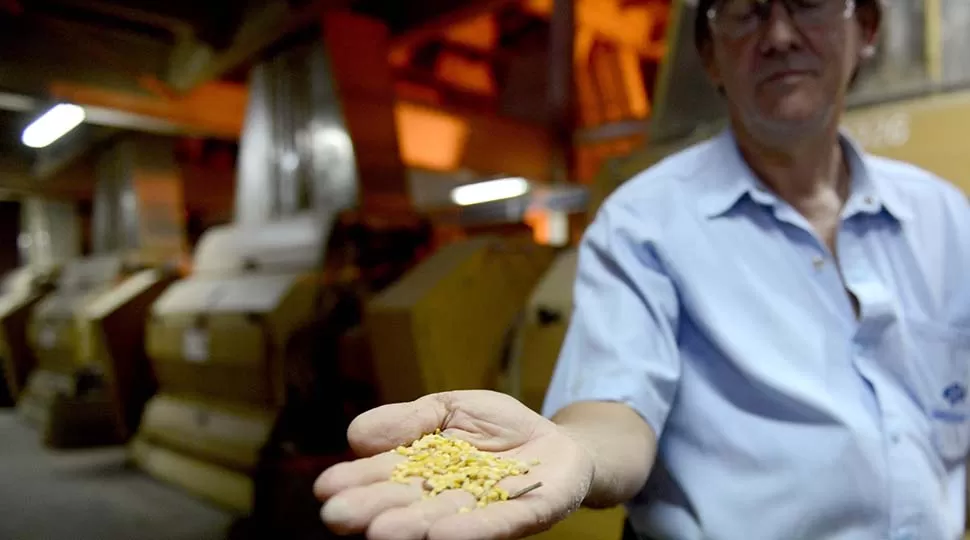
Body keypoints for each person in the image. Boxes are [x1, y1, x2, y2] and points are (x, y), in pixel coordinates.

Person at [314, 0, 970, 538]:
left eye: (809, 5)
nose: (778, 35)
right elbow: (614, 408)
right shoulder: (643, 221)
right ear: (710, 56)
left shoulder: (943, 213)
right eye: (746, 12)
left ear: (867, 29)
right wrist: (573, 449)